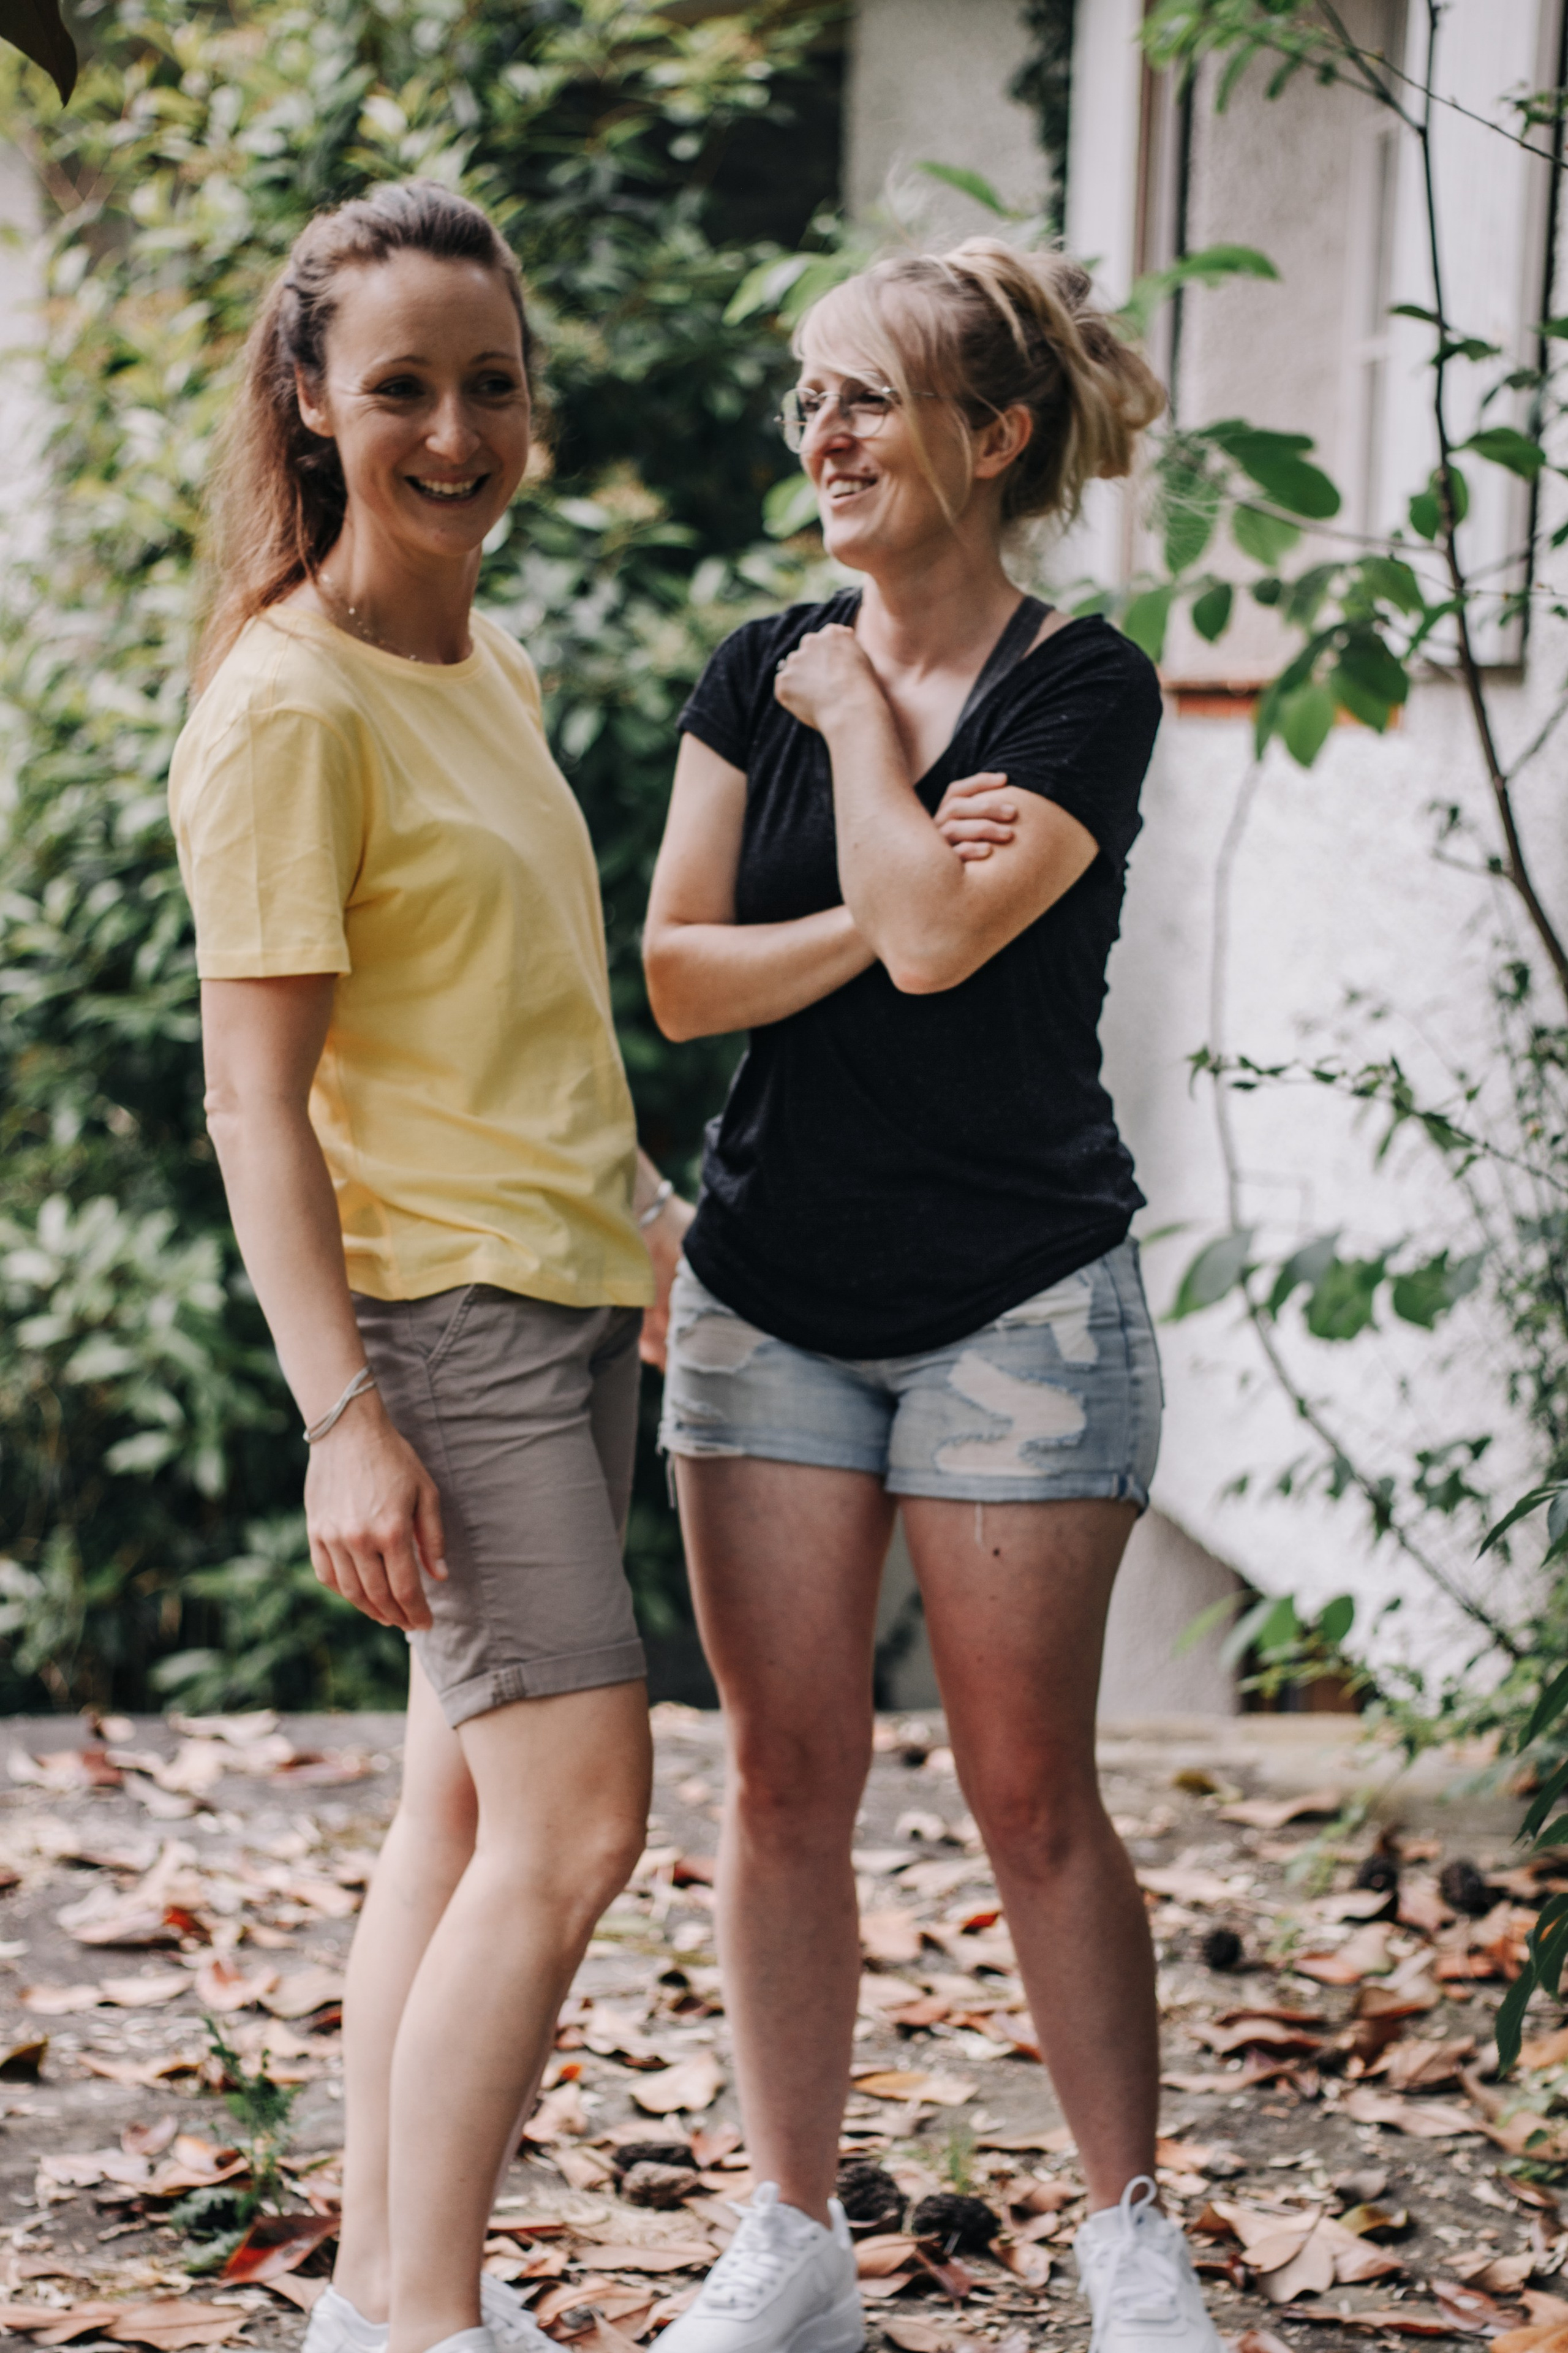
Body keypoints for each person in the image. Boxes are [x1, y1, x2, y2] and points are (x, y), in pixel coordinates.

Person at [643, 239, 1219, 2353]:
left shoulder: (1085, 683)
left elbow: (955, 950)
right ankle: (790, 2240)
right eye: (813, 394)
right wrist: (884, 875)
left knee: (1029, 1789)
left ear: (993, 438)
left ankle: (1129, 2234)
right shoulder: (754, 663)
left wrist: (861, 741)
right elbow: (683, 975)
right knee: (781, 1779)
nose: (826, 433)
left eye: (872, 397)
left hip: (1019, 1298)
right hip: (770, 1292)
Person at [168, 181, 689, 2353]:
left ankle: (380, 2299)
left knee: (456, 1803)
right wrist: (343, 1415)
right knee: (577, 1820)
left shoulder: (486, 653)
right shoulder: (289, 711)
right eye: (402, 389)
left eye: (491, 385)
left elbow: (527, 1003)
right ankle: (428, 2321)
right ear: (311, 401)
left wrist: (648, 1212)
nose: (455, 431)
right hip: (446, 1320)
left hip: (566, 1287)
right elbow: (251, 1103)